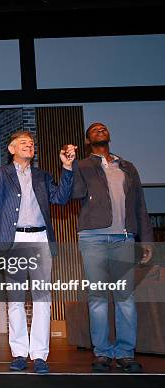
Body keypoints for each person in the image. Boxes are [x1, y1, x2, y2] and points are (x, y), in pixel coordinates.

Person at [0, 130, 75, 374]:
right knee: (16, 300)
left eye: (32, 144)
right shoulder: (0, 174)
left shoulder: (42, 176)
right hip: (14, 241)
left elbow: (62, 199)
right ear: (11, 149)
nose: (29, 146)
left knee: (43, 299)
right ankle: (19, 353)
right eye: (23, 143)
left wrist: (67, 168)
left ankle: (40, 355)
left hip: (40, 238)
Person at [73, 122, 153, 373]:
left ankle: (125, 353)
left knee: (125, 298)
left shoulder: (127, 167)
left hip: (124, 238)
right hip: (93, 238)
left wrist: (146, 240)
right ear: (88, 140)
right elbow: (74, 193)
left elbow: (140, 205)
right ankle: (103, 353)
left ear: (109, 136)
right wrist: (70, 165)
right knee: (97, 298)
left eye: (103, 128)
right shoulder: (83, 165)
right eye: (94, 129)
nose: (99, 130)